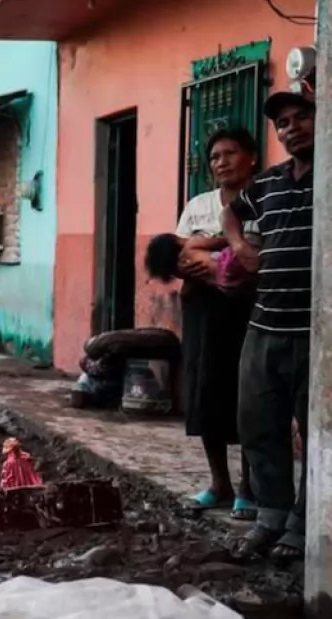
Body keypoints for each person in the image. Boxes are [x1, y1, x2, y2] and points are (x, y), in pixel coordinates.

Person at [144, 127, 261, 521]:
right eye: (214, 157)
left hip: (250, 308)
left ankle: (249, 486)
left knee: (248, 393)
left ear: (252, 158)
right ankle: (219, 483)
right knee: (205, 389)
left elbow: (257, 257)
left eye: (230, 153)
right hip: (204, 312)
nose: (221, 162)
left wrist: (205, 249)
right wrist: (216, 262)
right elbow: (174, 257)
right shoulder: (198, 204)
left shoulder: (263, 198)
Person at [221, 88, 315, 561]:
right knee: (258, 425)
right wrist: (238, 246)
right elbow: (231, 212)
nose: (292, 127)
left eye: (302, 117)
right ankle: (270, 518)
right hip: (264, 326)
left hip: (316, 335)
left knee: (317, 435)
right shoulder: (269, 182)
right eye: (283, 123)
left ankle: (302, 524)